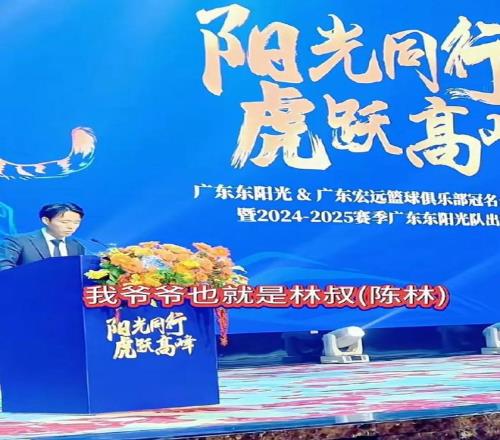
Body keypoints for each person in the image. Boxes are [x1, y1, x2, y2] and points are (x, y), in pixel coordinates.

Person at [0, 203, 85, 270]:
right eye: (65, 222)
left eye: (76, 223)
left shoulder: (76, 245)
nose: (71, 227)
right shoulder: (18, 241)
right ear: (46, 220)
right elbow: (4, 267)